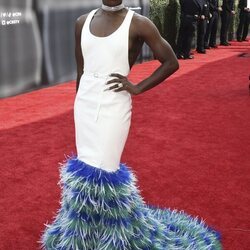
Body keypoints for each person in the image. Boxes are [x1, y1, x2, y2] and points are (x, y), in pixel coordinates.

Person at [39, 0, 222, 249]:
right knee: (84, 168)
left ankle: (113, 236)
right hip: (84, 105)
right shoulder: (82, 22)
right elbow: (81, 71)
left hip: (114, 106)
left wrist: (137, 87)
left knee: (105, 168)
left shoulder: (138, 24)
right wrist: (79, 103)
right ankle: (82, 233)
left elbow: (171, 61)